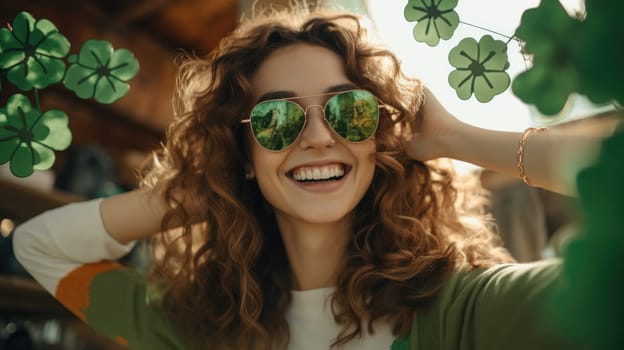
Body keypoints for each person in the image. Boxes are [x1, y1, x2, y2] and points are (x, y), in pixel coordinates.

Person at [12, 5, 607, 350]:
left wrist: (459, 139)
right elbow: (38, 246)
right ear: (242, 150)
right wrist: (194, 188)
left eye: (349, 111)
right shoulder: (201, 327)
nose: (318, 136)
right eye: (275, 118)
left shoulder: (463, 311)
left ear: (381, 139)